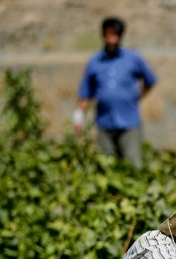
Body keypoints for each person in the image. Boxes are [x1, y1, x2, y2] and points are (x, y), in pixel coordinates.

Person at [73, 17, 157, 169]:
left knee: (133, 166)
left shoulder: (132, 58)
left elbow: (150, 80)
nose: (112, 40)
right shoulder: (95, 62)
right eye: (109, 35)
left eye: (115, 35)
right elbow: (85, 93)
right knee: (107, 167)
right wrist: (78, 117)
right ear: (103, 36)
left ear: (121, 36)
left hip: (129, 123)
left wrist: (136, 95)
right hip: (105, 123)